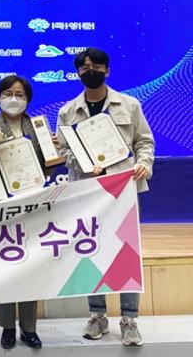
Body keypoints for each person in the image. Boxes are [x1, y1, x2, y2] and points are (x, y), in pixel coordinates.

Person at [56, 47, 154, 347]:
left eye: (96, 66)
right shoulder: (68, 111)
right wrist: (84, 164)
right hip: (87, 192)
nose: (91, 71)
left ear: (107, 70)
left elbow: (144, 142)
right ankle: (97, 315)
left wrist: (144, 164)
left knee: (126, 253)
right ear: (78, 73)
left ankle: (129, 320)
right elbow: (63, 151)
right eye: (85, 67)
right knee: (90, 252)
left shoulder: (129, 105)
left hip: (124, 191)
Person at [0, 75, 45, 349]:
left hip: (32, 203)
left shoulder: (38, 126)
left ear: (28, 99)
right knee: (4, 267)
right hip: (1, 205)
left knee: (30, 267)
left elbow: (49, 163)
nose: (14, 98)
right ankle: (7, 327)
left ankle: (29, 328)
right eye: (8, 93)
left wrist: (54, 152)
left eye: (20, 94)